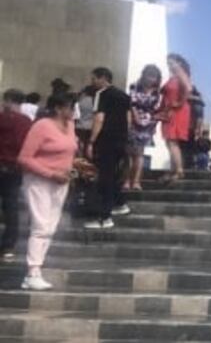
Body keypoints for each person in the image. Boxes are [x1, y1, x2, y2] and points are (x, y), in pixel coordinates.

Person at [17, 91, 77, 290]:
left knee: (51, 226)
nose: (74, 110)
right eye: (70, 106)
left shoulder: (70, 126)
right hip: (39, 181)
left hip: (62, 181)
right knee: (41, 225)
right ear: (59, 108)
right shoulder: (41, 126)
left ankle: (37, 267)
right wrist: (51, 173)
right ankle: (32, 271)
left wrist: (73, 168)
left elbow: (67, 152)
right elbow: (24, 158)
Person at [84, 67, 132, 229]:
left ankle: (105, 217)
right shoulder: (124, 95)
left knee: (105, 177)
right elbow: (129, 119)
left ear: (103, 78)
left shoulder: (101, 94)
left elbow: (99, 118)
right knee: (113, 175)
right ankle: (120, 203)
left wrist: (91, 141)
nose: (92, 82)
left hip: (106, 140)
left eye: (94, 78)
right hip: (121, 140)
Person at [0, 89, 31, 261]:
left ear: (8, 100)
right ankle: (8, 247)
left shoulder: (1, 118)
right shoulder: (27, 122)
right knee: (11, 208)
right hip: (15, 168)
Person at [124, 65, 161, 191]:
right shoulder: (135, 87)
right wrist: (135, 118)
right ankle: (126, 180)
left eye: (154, 77)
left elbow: (157, 109)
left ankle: (136, 181)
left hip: (148, 123)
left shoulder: (157, 92)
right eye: (150, 76)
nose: (152, 79)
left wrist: (154, 124)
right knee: (129, 153)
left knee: (140, 153)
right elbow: (132, 104)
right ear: (144, 75)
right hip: (134, 122)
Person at [159, 53, 192, 182]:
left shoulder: (179, 72)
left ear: (179, 63)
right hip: (171, 110)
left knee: (172, 141)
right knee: (170, 141)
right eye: (168, 63)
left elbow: (188, 88)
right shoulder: (174, 75)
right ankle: (174, 170)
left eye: (171, 63)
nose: (169, 65)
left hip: (177, 110)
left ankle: (178, 170)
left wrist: (179, 102)